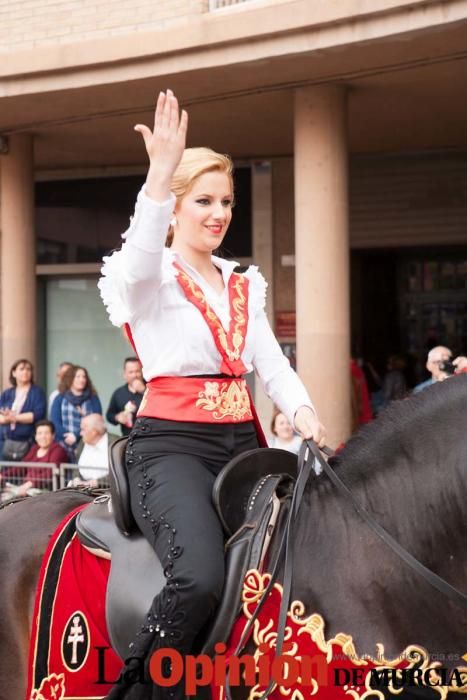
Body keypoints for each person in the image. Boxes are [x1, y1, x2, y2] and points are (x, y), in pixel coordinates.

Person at [98, 89, 325, 700]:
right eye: (203, 200)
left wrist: (302, 410)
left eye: (226, 201)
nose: (218, 212)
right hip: (170, 448)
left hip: (243, 446)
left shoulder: (244, 284)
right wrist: (158, 175)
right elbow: (142, 257)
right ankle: (139, 692)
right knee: (198, 578)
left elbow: (272, 364)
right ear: (174, 209)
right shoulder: (146, 279)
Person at [0, 420, 68, 499]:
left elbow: (50, 473)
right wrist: (3, 475)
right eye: (39, 433)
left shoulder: (58, 450)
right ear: (35, 436)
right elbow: (21, 467)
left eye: (46, 433)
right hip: (26, 488)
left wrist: (29, 484)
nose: (43, 436)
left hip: (45, 492)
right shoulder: (34, 448)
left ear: (53, 435)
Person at [50, 365, 102, 460]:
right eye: (78, 376)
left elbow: (98, 420)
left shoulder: (93, 398)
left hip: (88, 444)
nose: (82, 379)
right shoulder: (59, 398)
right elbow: (55, 422)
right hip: (63, 445)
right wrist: (67, 436)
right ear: (70, 379)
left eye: (84, 376)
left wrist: (76, 435)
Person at [0, 359, 47, 461]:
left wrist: (12, 417)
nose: (25, 372)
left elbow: (36, 415)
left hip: (28, 443)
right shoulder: (7, 393)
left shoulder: (37, 392)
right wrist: (16, 418)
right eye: (21, 369)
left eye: (28, 369)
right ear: (14, 373)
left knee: (24, 473)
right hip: (5, 442)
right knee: (5, 474)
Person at [71, 413, 118, 487]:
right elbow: (77, 466)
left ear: (94, 432)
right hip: (83, 490)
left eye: (83, 429)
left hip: (107, 491)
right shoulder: (82, 442)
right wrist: (76, 479)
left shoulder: (115, 443)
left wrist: (97, 482)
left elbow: (119, 472)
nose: (80, 433)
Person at [106, 357, 146, 435]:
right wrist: (117, 417)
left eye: (137, 371)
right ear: (125, 375)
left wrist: (143, 391)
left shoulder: (151, 389)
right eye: (131, 372)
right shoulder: (119, 393)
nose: (135, 375)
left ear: (142, 372)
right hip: (128, 438)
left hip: (149, 436)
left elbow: (160, 406)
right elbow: (109, 415)